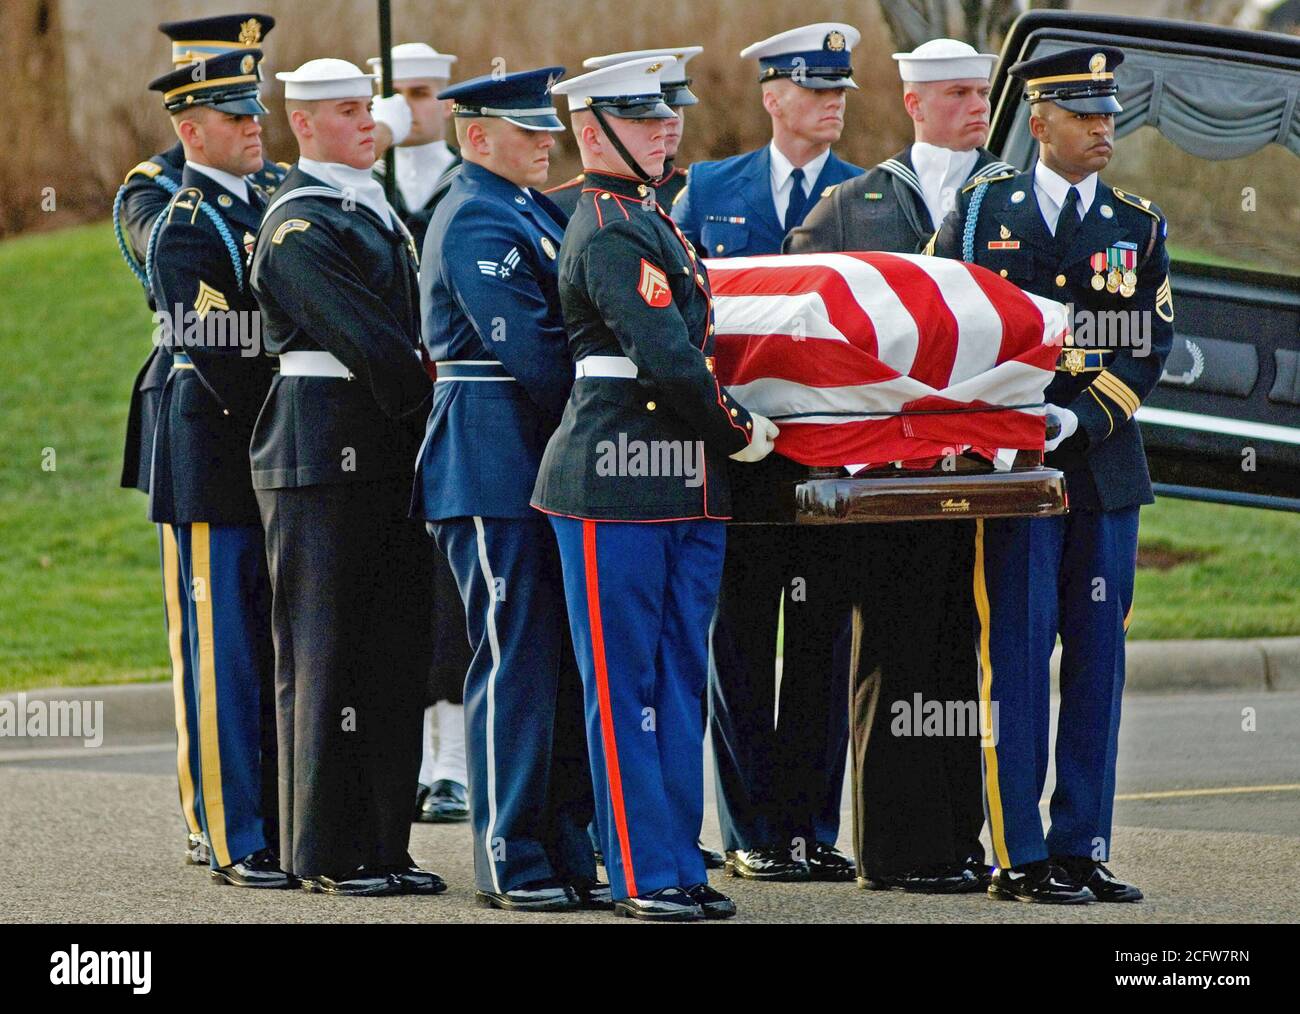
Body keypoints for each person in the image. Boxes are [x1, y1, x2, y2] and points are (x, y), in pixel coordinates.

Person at [534, 58, 779, 921]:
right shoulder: (607, 227)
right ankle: (642, 872)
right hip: (613, 482)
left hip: (683, 483)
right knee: (624, 687)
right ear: (591, 131)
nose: (667, 128)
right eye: (643, 119)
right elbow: (667, 357)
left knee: (676, 679)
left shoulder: (650, 218)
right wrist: (741, 430)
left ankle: (678, 859)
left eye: (670, 113)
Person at [930, 45, 1174, 903]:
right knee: (1019, 654)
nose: (1105, 129)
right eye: (1086, 115)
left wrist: (1082, 413)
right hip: (1012, 468)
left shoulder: (1138, 224)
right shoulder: (978, 211)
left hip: (1103, 467)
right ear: (1040, 123)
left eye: (1110, 115)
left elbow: (1148, 346)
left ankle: (1083, 845)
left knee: (1098, 661)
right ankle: (1018, 853)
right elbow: (939, 312)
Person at [783, 39, 1016, 894]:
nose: (976, 108)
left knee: (969, 651)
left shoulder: (1014, 195)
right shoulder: (854, 202)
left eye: (982, 93)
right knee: (895, 644)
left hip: (992, 470)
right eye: (957, 95)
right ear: (914, 104)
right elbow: (803, 310)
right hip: (886, 471)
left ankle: (965, 839)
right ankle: (895, 847)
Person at [672, 23, 863, 884]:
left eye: (840, 95)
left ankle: (811, 829)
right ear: (774, 98)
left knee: (821, 646)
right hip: (739, 455)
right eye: (815, 93)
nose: (831, 108)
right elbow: (680, 311)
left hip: (828, 462)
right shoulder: (708, 189)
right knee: (740, 645)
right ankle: (752, 829)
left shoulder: (872, 196)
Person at [413, 66, 607, 912]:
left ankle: (563, 848)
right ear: (476, 136)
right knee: (514, 659)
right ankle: (510, 854)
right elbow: (532, 347)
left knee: (557, 663)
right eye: (527, 133)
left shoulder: (533, 209)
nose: (545, 143)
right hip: (491, 462)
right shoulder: (474, 216)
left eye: (548, 132)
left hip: (540, 459)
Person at [248, 58, 443, 897]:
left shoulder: (372, 204)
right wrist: (439, 391)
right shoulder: (297, 224)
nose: (368, 122)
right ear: (304, 124)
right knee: (329, 656)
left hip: (386, 450)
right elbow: (368, 340)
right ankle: (327, 850)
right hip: (325, 456)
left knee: (393, 652)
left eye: (368, 108)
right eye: (346, 112)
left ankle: (383, 843)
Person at [112, 11, 286, 870]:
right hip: (215, 449)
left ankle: (272, 820)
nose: (256, 122)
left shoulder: (274, 191)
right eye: (235, 113)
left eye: (257, 106)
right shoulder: (174, 207)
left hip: (274, 454)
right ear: (191, 128)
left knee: (271, 643)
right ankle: (226, 830)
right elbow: (212, 342)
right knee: (220, 654)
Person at [366, 41, 471, 826]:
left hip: (449, 402)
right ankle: (403, 755)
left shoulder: (465, 184)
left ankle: (454, 762)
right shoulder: (365, 184)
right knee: (392, 592)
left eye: (428, 91)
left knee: (452, 592)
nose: (415, 106)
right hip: (382, 411)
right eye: (398, 93)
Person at [545, 46, 700, 216]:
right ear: (593, 137)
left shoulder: (702, 192)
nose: (668, 123)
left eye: (675, 109)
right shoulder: (562, 205)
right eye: (641, 119)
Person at [368, 42, 462, 250]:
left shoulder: (471, 178)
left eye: (419, 94)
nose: (403, 106)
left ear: (448, 105)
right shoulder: (363, 180)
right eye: (391, 95)